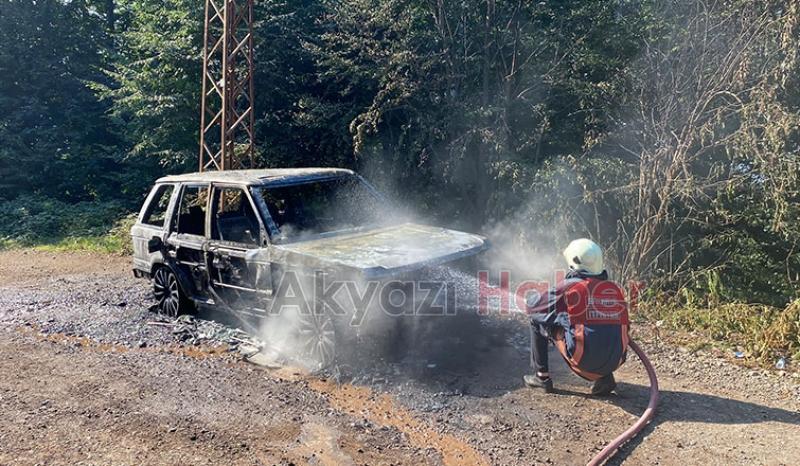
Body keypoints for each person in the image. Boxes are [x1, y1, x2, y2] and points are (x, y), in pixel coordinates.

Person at [523, 238, 629, 395]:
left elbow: (532, 306)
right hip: (615, 361)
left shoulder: (569, 288)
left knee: (537, 320)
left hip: (584, 363)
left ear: (574, 263)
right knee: (601, 327)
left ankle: (541, 378)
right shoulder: (614, 290)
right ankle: (605, 378)